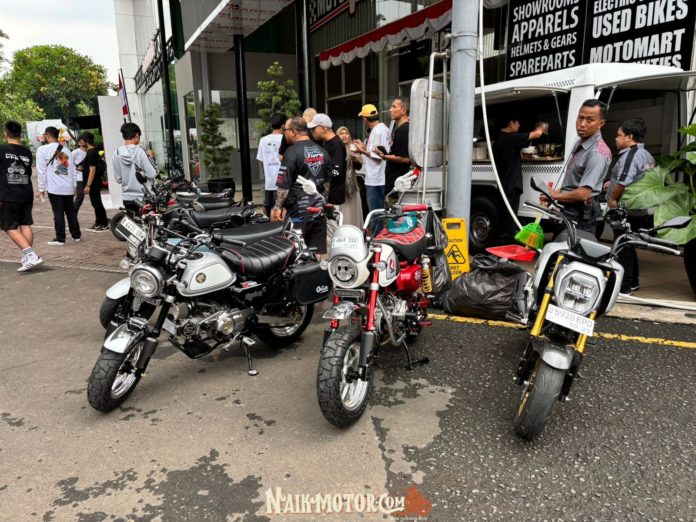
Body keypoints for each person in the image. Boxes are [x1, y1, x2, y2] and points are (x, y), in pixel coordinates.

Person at [544, 99, 611, 234]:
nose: (582, 124)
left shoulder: (597, 153)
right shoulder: (580, 143)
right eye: (580, 118)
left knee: (573, 246)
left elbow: (582, 194)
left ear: (601, 123)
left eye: (590, 120)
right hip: (569, 209)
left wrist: (555, 195)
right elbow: (572, 183)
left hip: (581, 212)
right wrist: (554, 194)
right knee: (560, 243)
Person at [605, 118, 655, 294]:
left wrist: (612, 199)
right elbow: (636, 178)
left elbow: (624, 181)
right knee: (628, 245)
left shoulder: (631, 154)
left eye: (619, 135)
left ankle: (624, 287)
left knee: (622, 248)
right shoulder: (646, 154)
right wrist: (611, 183)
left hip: (626, 210)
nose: (616, 138)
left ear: (629, 137)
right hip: (638, 209)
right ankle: (633, 281)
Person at [271, 116, 333, 255]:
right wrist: (322, 204)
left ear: (293, 131)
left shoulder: (291, 152)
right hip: (318, 211)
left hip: (297, 213)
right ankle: (316, 269)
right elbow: (327, 184)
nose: (284, 133)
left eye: (285, 130)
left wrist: (277, 208)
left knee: (294, 251)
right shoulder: (322, 151)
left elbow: (283, 187)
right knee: (317, 253)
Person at [492, 118, 547, 242]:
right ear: (511, 123)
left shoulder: (498, 141)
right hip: (511, 185)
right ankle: (505, 247)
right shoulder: (510, 138)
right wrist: (542, 126)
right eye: (517, 123)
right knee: (509, 221)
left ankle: (502, 245)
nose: (519, 125)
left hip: (503, 185)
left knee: (504, 219)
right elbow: (537, 134)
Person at [0, 120, 43, 272]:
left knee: (9, 226)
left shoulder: (2, 149)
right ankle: (27, 257)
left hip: (8, 194)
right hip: (26, 193)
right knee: (25, 224)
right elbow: (28, 172)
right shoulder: (27, 152)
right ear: (20, 134)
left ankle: (31, 256)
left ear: (5, 133)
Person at [36, 126, 81, 245]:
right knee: (70, 212)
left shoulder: (42, 150)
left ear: (48, 135)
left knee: (58, 212)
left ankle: (60, 238)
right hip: (68, 187)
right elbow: (72, 170)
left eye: (44, 135)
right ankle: (76, 235)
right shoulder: (66, 150)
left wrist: (41, 188)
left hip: (54, 188)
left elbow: (41, 171)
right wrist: (74, 186)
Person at [308, 113, 346, 246]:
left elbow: (336, 171)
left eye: (314, 128)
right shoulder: (328, 143)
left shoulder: (336, 144)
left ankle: (335, 256)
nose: (312, 131)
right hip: (328, 196)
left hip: (333, 196)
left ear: (323, 128)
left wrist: (318, 177)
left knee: (332, 232)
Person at [353, 104, 391, 219]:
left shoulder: (377, 131)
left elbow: (378, 155)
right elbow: (376, 150)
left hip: (376, 179)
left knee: (375, 215)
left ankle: (376, 231)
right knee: (379, 213)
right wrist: (364, 146)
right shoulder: (383, 128)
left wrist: (361, 151)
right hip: (379, 177)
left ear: (365, 119)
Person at [112, 122, 158, 214]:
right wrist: (151, 158)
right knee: (147, 222)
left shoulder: (116, 153)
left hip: (127, 197)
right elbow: (152, 173)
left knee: (132, 221)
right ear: (137, 135)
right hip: (143, 197)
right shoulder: (140, 151)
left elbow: (118, 179)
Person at [378, 97, 411, 194]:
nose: (390, 110)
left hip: (397, 184)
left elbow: (405, 158)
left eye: (394, 107)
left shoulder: (403, 130)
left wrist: (384, 156)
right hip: (394, 181)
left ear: (403, 110)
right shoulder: (400, 129)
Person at [257, 113, 285, 216]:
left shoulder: (263, 140)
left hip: (270, 184)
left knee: (271, 215)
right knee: (283, 214)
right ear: (283, 125)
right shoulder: (286, 139)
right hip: (285, 184)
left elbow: (261, 162)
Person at [80, 132, 110, 231]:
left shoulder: (91, 152)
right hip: (93, 182)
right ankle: (98, 223)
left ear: (86, 140)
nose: (80, 142)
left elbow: (92, 170)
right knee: (95, 203)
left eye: (81, 140)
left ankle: (104, 224)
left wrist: (88, 185)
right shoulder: (91, 151)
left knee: (97, 203)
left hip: (93, 183)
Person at [336, 126, 364, 228]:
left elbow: (359, 166)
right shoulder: (335, 149)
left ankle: (354, 232)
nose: (344, 136)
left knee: (353, 213)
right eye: (341, 133)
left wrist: (355, 158)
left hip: (352, 186)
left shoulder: (353, 148)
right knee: (343, 213)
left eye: (346, 133)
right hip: (340, 188)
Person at [70, 139, 87, 215]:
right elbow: (69, 163)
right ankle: (73, 215)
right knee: (80, 198)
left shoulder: (89, 151)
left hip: (88, 177)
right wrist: (76, 168)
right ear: (79, 143)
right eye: (81, 141)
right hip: (79, 178)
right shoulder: (75, 152)